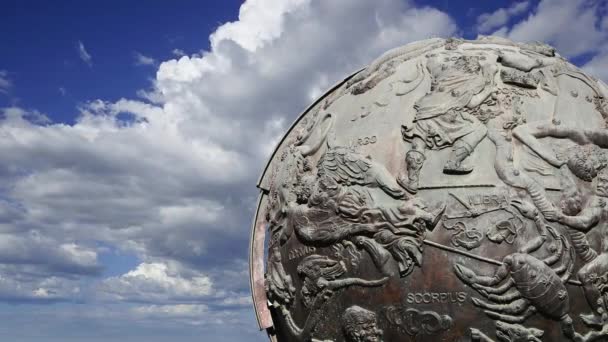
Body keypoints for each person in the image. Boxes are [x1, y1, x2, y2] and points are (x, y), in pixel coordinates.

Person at [399, 54, 497, 193]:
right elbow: (472, 103)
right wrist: (488, 90)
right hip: (446, 116)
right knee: (479, 128)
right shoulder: (473, 80)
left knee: (418, 145)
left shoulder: (443, 73)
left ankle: (412, 182)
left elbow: (432, 66)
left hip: (425, 111)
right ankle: (454, 162)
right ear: (474, 68)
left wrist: (431, 59)